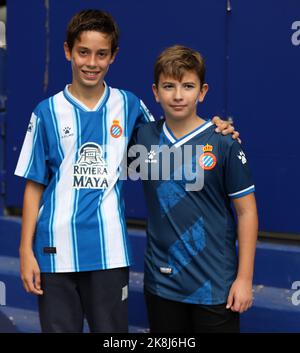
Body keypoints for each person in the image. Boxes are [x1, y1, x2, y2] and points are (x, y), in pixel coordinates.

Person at [14, 10, 238, 333]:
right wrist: (25, 250)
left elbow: (172, 135)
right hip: (54, 251)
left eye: (101, 54)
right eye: (83, 52)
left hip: (110, 253)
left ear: (113, 57)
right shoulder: (46, 112)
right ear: (67, 51)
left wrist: (217, 129)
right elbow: (35, 185)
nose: (92, 62)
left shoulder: (128, 105)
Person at [132, 45, 258, 333]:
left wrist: (245, 279)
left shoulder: (223, 142)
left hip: (214, 286)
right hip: (161, 284)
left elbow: (247, 212)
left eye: (188, 86)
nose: (178, 95)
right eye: (169, 86)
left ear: (202, 92)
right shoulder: (143, 137)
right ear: (155, 92)